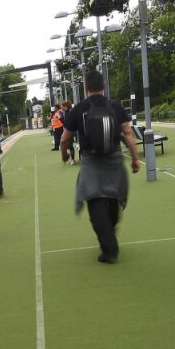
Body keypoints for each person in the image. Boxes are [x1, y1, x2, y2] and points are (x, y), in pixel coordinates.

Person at [60, 70, 140, 263]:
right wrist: (135, 158)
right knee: (113, 198)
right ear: (103, 86)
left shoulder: (79, 109)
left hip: (91, 162)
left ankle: (109, 249)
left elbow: (64, 139)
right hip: (114, 160)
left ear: (86, 88)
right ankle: (110, 232)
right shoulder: (115, 106)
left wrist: (65, 155)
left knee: (94, 199)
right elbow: (128, 132)